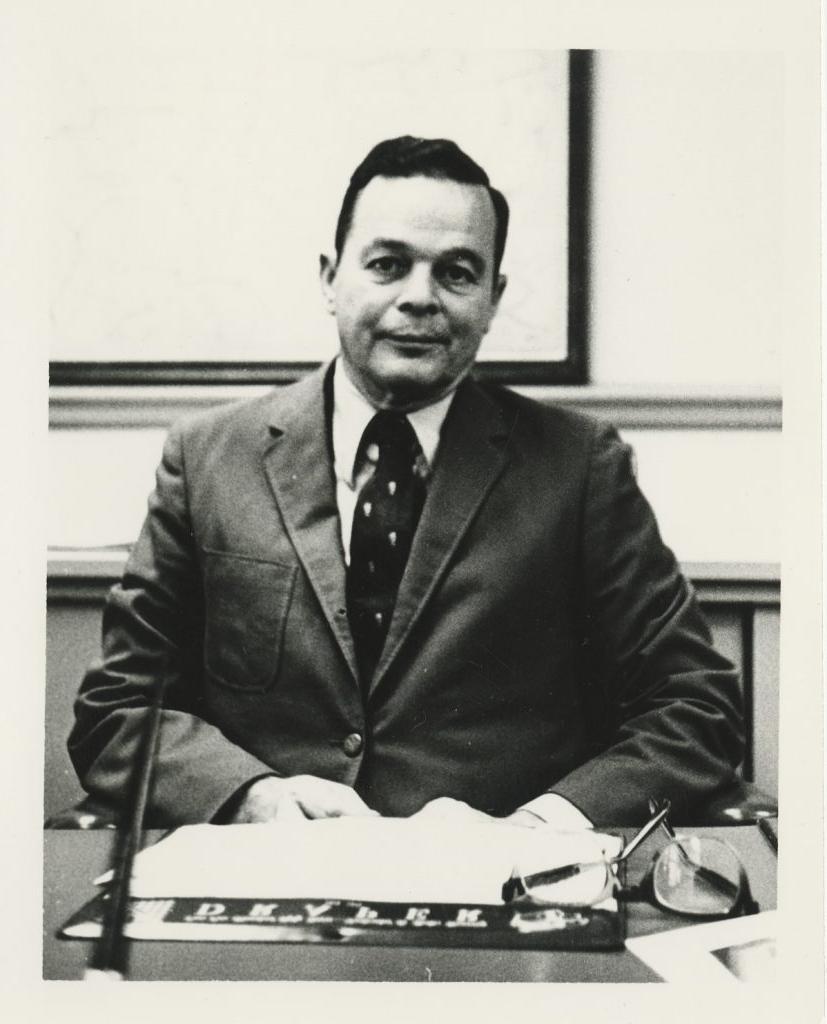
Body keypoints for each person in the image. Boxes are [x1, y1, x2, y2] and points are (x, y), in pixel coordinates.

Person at [68, 136, 743, 829]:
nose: (419, 299)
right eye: (388, 265)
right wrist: (250, 798)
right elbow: (119, 709)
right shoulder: (208, 457)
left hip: (500, 889)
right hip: (267, 880)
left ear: (491, 298)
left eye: (456, 273)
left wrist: (546, 824)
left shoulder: (580, 465)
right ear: (330, 278)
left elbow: (695, 705)